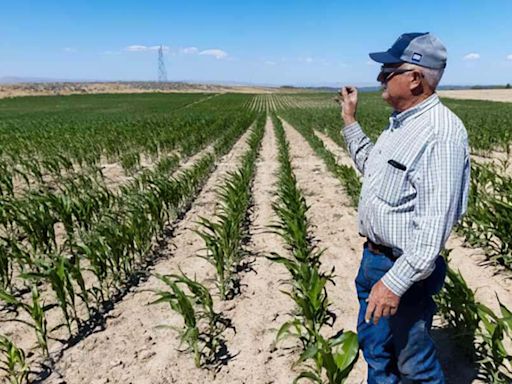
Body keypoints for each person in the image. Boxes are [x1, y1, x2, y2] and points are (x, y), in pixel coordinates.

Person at [338, 32, 471, 383]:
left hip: (404, 272)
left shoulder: (441, 133)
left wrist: (394, 283)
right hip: (374, 261)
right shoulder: (401, 125)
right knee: (376, 351)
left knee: (415, 365)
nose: (380, 77)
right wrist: (350, 120)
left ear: (414, 78)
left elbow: (433, 229)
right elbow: (373, 168)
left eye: (388, 70)